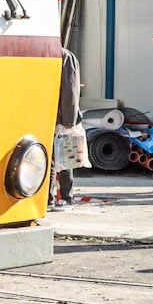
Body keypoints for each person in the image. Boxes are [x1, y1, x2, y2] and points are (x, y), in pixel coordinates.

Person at [53, 48, 87, 205]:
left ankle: (61, 197)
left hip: (60, 117)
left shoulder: (64, 56)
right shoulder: (64, 55)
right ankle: (62, 197)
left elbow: (70, 90)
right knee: (61, 160)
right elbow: (71, 89)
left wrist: (69, 120)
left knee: (62, 159)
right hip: (60, 117)